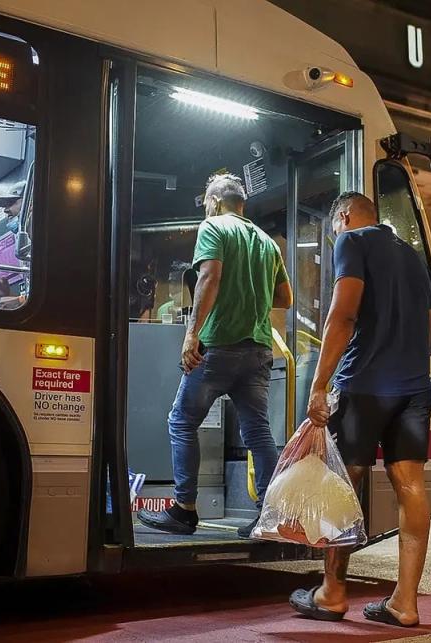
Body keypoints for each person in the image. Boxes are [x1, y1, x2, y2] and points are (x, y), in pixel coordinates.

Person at [288, 192, 431, 628]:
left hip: (365, 384)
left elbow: (342, 315)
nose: (336, 235)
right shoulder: (412, 256)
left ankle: (332, 593)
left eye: (335, 227)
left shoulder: (353, 242)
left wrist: (319, 384)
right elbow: (428, 331)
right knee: (410, 484)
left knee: (343, 481)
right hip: (414, 388)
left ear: (345, 217)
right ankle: (404, 602)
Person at [138, 174, 292, 538]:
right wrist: (249, 295)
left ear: (216, 201)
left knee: (181, 421)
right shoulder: (268, 243)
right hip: (257, 349)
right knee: (257, 431)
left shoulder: (214, 227)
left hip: (219, 346)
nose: (206, 207)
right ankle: (268, 515)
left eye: (207, 200)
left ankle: (184, 509)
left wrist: (192, 334)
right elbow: (284, 298)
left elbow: (208, 277)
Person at [0, 180, 29, 309]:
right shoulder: (25, 246)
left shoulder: (47, 242)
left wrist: (20, 301)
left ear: (30, 201)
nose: (5, 210)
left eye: (11, 203)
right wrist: (7, 294)